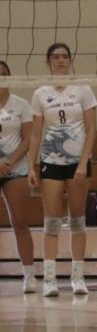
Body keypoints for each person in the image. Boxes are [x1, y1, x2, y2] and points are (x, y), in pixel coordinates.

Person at [28, 43, 97, 297]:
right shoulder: (40, 93)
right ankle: (49, 279)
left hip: (78, 163)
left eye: (64, 57)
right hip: (50, 162)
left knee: (78, 219)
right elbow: (36, 134)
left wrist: (82, 163)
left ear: (70, 60)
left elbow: (91, 130)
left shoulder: (83, 90)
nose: (60, 61)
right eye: (55, 57)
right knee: (51, 220)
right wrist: (32, 166)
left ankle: (77, 277)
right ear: (49, 62)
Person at [0, 60, 37, 293]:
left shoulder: (21, 105)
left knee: (20, 222)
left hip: (15, 169)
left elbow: (28, 139)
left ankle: (30, 276)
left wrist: (8, 161)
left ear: (10, 77)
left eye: (3, 74)